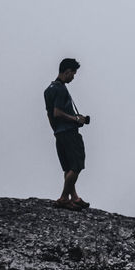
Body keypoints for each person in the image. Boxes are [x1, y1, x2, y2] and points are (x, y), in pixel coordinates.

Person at [44, 57, 91, 209]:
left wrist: (56, 131)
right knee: (76, 165)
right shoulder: (61, 89)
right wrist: (76, 120)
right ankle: (64, 197)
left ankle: (74, 197)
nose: (73, 77)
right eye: (73, 74)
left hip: (59, 133)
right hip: (69, 132)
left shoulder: (49, 90)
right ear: (67, 71)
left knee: (68, 167)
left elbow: (50, 115)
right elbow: (58, 112)